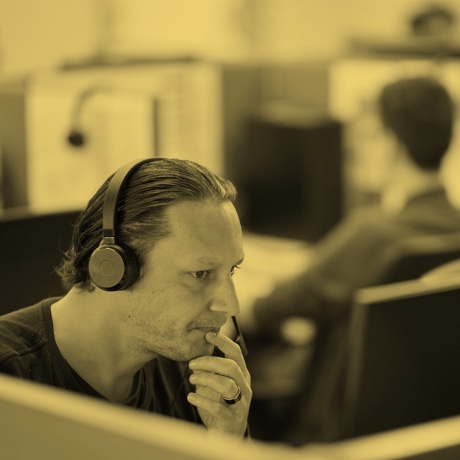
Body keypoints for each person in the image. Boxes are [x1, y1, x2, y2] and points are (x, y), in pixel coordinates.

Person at [240, 76, 460, 443]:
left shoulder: (373, 234)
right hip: (417, 423)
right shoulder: (452, 226)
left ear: (391, 143)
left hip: (330, 430)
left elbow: (268, 308)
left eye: (369, 135)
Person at [0, 157, 251, 438]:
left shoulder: (199, 379)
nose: (231, 306)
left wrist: (228, 442)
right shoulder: (8, 382)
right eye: (200, 274)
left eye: (232, 270)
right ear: (113, 268)